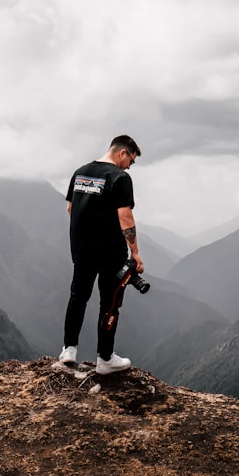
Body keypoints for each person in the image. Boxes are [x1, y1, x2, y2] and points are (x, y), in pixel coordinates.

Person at [59, 134, 144, 374]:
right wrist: (135, 252)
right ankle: (105, 359)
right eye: (132, 161)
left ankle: (69, 350)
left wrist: (86, 234)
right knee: (110, 303)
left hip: (81, 249)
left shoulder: (80, 172)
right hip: (110, 252)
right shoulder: (120, 177)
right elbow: (125, 217)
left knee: (78, 296)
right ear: (122, 153)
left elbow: (70, 208)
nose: (130, 166)